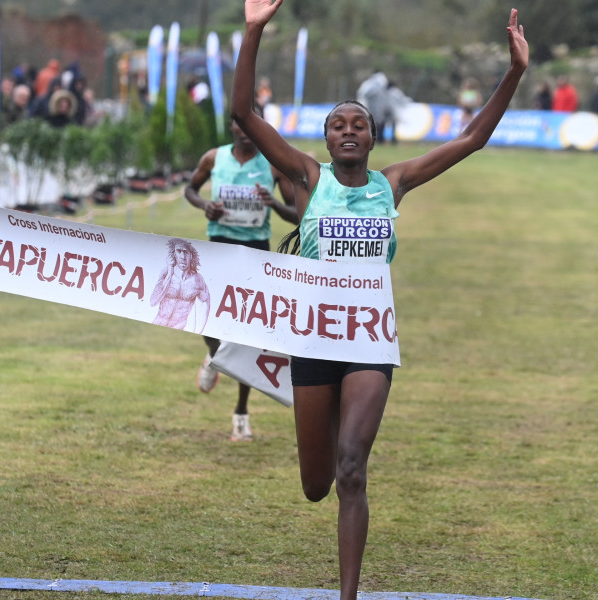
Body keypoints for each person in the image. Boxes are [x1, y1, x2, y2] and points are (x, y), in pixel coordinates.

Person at [230, 1, 527, 598]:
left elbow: (471, 138)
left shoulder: (393, 183)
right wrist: (254, 29)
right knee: (316, 484)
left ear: (372, 135)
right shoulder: (306, 178)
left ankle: (348, 596)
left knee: (351, 469)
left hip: (368, 341)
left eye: (358, 124)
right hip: (313, 338)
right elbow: (242, 112)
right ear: (325, 137)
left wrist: (514, 72)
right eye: (338, 123)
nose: (347, 129)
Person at [185, 105, 297, 442]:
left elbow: (297, 214)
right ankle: (214, 354)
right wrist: (205, 205)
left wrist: (274, 205)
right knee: (205, 318)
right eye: (238, 120)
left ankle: (241, 415)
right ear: (231, 124)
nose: (245, 128)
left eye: (253, 120)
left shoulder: (274, 164)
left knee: (250, 338)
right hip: (218, 246)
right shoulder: (213, 158)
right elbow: (190, 189)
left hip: (255, 254)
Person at [150, 238, 210, 333]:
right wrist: (169, 274)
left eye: (186, 252)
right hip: (157, 325)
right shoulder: (166, 272)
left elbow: (205, 304)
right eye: (179, 251)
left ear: (191, 255)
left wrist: (198, 332)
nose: (183, 256)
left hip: (178, 330)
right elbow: (153, 302)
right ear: (174, 254)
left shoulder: (197, 280)